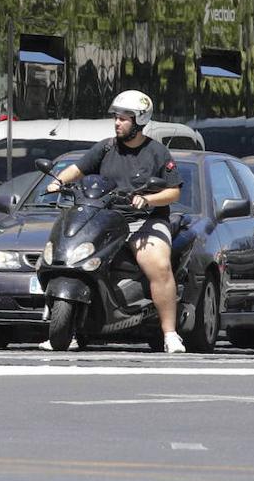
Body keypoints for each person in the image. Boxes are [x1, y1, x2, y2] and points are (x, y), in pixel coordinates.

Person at [41, 90, 186, 353]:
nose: (117, 123)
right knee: (70, 258)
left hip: (144, 221)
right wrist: (58, 181)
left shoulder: (157, 152)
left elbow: (174, 191)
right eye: (116, 118)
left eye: (123, 118)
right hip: (105, 219)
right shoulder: (106, 147)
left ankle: (170, 334)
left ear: (139, 120)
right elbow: (79, 168)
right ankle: (69, 330)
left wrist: (149, 200)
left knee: (158, 265)